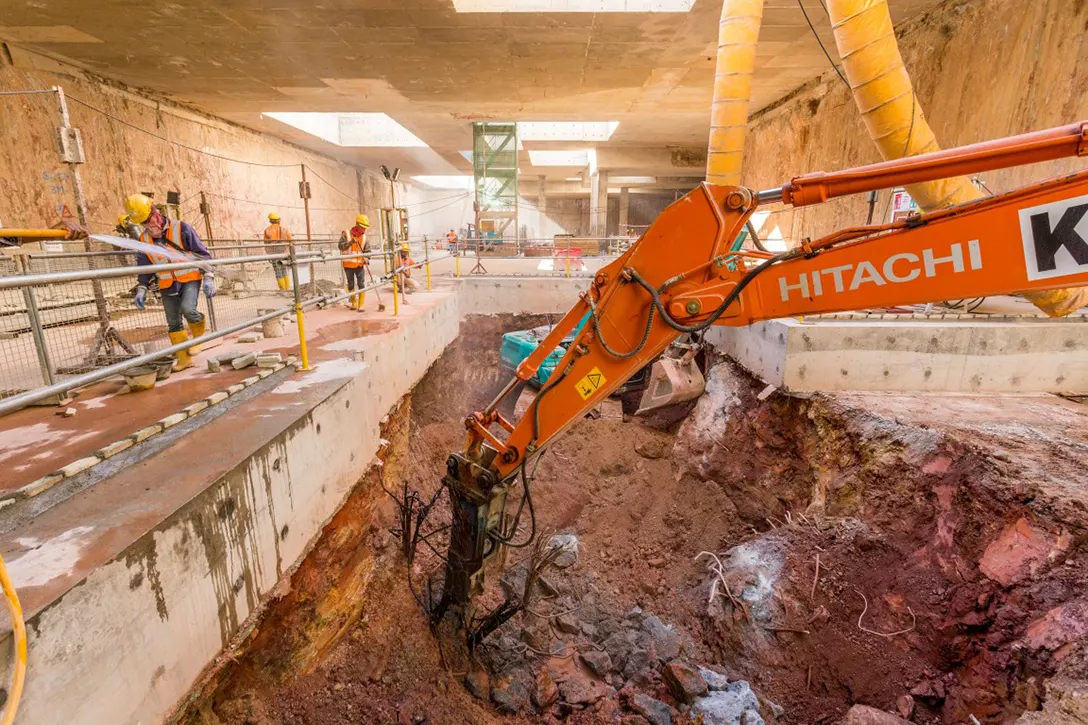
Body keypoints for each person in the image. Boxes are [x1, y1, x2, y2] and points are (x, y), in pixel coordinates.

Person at [125, 193, 214, 371]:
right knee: (173, 322)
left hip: (189, 278)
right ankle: (183, 359)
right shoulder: (144, 240)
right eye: (143, 223)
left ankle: (198, 340)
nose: (149, 225)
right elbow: (145, 265)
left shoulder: (181, 228)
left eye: (149, 219)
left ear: (155, 211)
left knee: (188, 309)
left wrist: (208, 276)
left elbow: (201, 253)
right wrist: (142, 287)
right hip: (166, 284)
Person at [339, 214, 371, 310]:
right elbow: (340, 246)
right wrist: (350, 243)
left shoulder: (364, 237)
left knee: (361, 284)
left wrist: (367, 258)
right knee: (351, 284)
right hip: (348, 265)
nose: (364, 230)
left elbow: (368, 251)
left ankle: (361, 304)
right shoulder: (346, 234)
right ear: (357, 225)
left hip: (359, 265)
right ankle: (354, 303)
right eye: (362, 227)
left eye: (365, 228)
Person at [263, 211, 292, 291]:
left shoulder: (267, 230)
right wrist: (287, 250)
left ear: (270, 221)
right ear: (278, 220)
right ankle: (287, 289)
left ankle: (283, 290)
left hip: (273, 253)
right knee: (284, 270)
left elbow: (266, 244)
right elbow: (292, 241)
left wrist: (269, 254)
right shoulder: (284, 230)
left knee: (278, 272)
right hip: (284, 253)